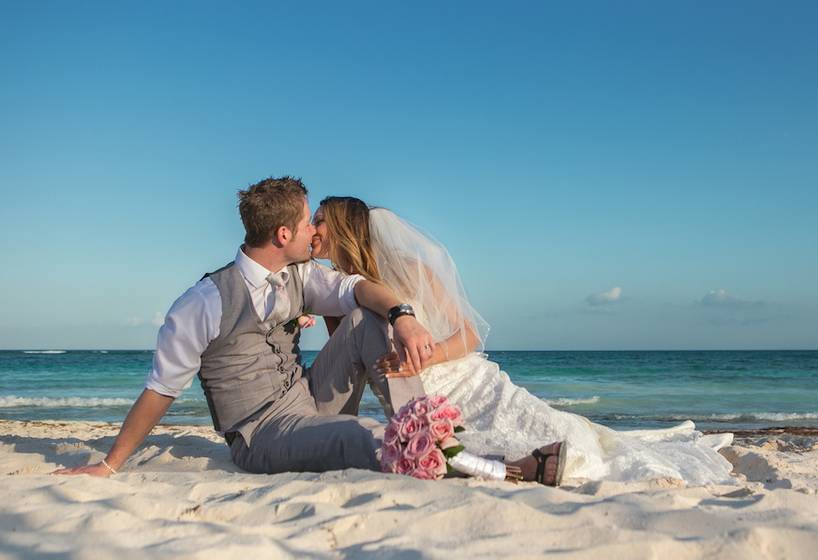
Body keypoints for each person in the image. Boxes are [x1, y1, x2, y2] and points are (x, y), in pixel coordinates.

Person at [54, 177, 564, 485]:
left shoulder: (302, 274)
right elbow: (161, 388)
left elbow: (361, 290)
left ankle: (425, 430)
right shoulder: (203, 302)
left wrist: (405, 316)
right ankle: (503, 469)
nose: (313, 233)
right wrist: (112, 464)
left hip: (308, 399)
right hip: (261, 432)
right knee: (358, 434)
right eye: (306, 224)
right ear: (282, 234)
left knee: (370, 316)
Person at [308, 196, 735, 485]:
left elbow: (469, 334)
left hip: (464, 378)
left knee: (560, 435)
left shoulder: (406, 267)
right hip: (412, 393)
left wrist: (431, 355)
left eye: (319, 220)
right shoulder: (335, 295)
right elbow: (352, 365)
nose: (313, 228)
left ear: (343, 226)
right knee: (463, 447)